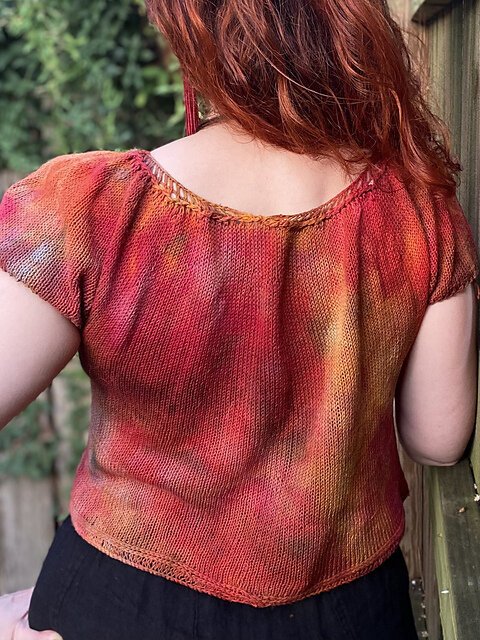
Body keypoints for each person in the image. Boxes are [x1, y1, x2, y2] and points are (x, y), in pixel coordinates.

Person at [0, 1, 478, 638]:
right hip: (349, 612)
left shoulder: (92, 208)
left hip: (123, 604)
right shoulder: (417, 210)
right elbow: (439, 436)